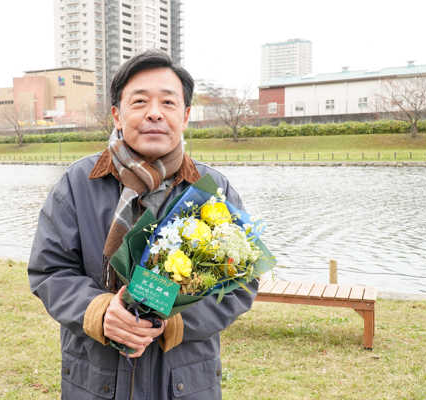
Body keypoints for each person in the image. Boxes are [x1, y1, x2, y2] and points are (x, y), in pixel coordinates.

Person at [28, 49, 259, 400]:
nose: (154, 113)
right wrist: (101, 312)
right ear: (117, 115)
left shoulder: (212, 191)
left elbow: (242, 282)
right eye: (140, 102)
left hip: (183, 380)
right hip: (95, 378)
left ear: (185, 116)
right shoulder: (77, 183)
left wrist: (173, 322)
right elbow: (50, 271)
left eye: (168, 103)